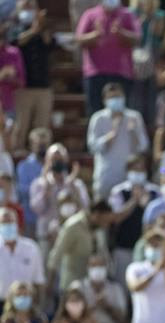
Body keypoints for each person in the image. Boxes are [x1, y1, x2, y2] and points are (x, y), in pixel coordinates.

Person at [75, 0, 141, 116]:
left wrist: (121, 33)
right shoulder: (90, 14)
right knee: (95, 113)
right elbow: (79, 40)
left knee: (122, 114)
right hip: (95, 73)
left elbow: (137, 39)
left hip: (121, 73)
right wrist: (96, 34)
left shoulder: (128, 15)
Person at [87, 82, 149, 201]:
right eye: (111, 97)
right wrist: (112, 133)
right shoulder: (98, 118)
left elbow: (143, 147)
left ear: (124, 98)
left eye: (118, 96)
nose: (115, 100)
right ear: (105, 100)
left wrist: (133, 132)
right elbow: (93, 147)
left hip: (130, 179)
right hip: (106, 177)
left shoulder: (134, 117)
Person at [109, 154, 159, 288]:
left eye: (141, 170)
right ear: (128, 171)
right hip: (124, 247)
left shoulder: (154, 192)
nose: (138, 173)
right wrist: (134, 201)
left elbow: (159, 219)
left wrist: (146, 205)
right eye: (134, 170)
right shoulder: (119, 191)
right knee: (124, 286)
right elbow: (115, 218)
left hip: (148, 249)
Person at [10, 1, 54, 152]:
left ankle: (41, 154)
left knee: (42, 126)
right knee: (21, 125)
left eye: (31, 7)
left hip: (43, 85)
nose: (28, 11)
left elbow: (50, 44)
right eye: (25, 7)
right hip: (22, 87)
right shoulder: (14, 27)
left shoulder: (44, 29)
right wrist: (33, 31)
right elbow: (15, 43)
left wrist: (41, 27)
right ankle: (18, 153)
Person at [47, 200, 113, 293]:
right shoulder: (73, 226)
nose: (106, 225)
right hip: (72, 284)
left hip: (92, 287)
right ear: (97, 215)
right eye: (105, 221)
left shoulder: (99, 230)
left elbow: (103, 253)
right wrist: (49, 284)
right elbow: (57, 255)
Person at [81, 252, 129, 323]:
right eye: (94, 266)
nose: (97, 269)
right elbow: (73, 316)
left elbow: (122, 319)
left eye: (100, 266)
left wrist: (107, 306)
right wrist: (94, 305)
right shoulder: (79, 287)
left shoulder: (116, 288)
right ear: (87, 267)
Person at [0, 206, 44, 307]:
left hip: (25, 305)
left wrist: (38, 306)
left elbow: (38, 281)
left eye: (10, 222)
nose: (8, 226)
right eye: (3, 223)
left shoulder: (31, 248)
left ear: (17, 224)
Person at [16, 126, 50, 237]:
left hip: (50, 220)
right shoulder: (24, 166)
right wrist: (41, 188)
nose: (42, 148)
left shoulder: (54, 165)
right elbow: (22, 190)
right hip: (30, 218)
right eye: (39, 145)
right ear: (31, 145)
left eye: (44, 145)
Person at [0, 23, 26, 119]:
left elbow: (21, 81)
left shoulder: (13, 52)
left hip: (9, 104)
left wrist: (9, 78)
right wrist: (2, 74)